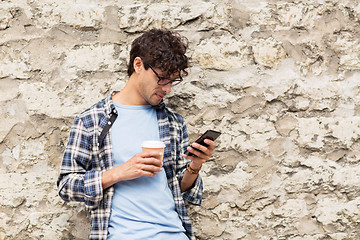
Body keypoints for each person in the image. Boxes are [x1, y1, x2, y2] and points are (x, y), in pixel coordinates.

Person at [57, 29, 216, 240]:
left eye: (172, 82)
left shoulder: (173, 121)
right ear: (138, 65)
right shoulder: (92, 120)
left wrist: (194, 166)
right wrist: (119, 172)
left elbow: (180, 189)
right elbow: (66, 186)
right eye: (162, 79)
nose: (167, 89)